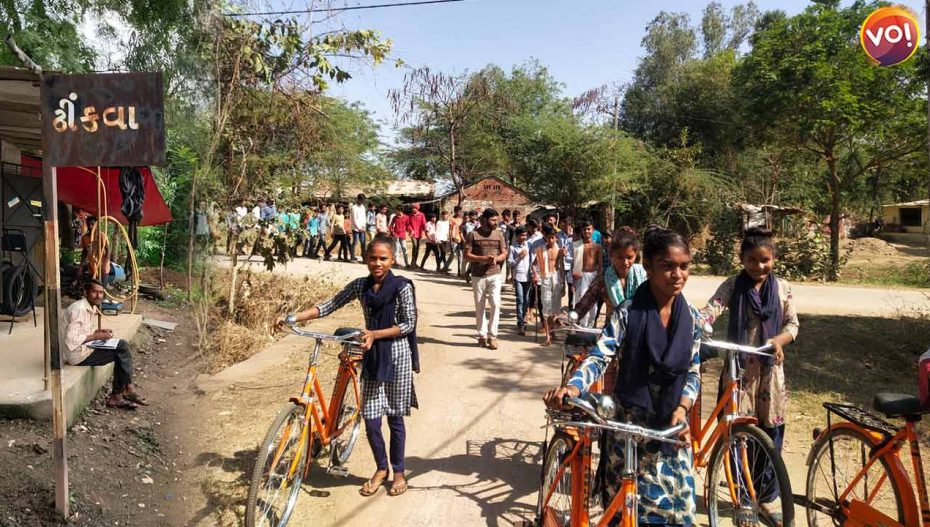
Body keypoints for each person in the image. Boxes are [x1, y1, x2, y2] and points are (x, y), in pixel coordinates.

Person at [544, 226, 701, 525]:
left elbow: (692, 372)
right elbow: (600, 355)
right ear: (649, 267)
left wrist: (683, 408)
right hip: (628, 427)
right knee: (627, 513)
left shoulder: (691, 318)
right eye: (668, 266)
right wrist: (574, 388)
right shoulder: (628, 312)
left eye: (684, 266)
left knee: (680, 514)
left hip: (670, 429)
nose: (677, 275)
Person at [276, 234, 418, 497]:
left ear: (392, 260)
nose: (377, 263)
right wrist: (294, 317)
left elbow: (408, 324)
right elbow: (330, 305)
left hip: (397, 356)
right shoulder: (360, 286)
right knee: (372, 421)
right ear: (366, 259)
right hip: (372, 354)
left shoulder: (402, 287)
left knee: (395, 418)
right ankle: (381, 468)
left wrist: (375, 333)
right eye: (373, 258)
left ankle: (398, 472)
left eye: (383, 258)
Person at [700, 227, 798, 524]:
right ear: (742, 259)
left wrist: (779, 340)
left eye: (765, 260)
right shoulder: (733, 285)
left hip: (770, 374)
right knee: (737, 434)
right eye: (752, 260)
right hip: (738, 372)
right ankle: (742, 495)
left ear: (774, 259)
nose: (759, 266)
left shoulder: (782, 289)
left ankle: (766, 498)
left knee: (771, 436)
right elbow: (711, 309)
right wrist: (699, 325)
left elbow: (792, 325)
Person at [64, 279, 147, 410]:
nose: (98, 296)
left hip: (84, 348)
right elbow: (71, 340)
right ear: (86, 292)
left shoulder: (89, 307)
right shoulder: (79, 309)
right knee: (122, 348)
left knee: (121, 350)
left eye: (101, 292)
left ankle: (120, 394)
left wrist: (97, 333)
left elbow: (82, 332)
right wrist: (96, 337)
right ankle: (125, 390)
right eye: (94, 292)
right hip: (76, 355)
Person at [575, 226, 648, 322]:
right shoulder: (604, 278)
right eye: (619, 257)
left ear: (636, 255)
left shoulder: (645, 275)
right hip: (612, 328)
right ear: (611, 255)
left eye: (630, 257)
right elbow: (586, 301)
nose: (625, 262)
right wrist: (573, 316)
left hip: (640, 327)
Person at [464, 208, 508, 350]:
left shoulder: (499, 234)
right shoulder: (473, 235)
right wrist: (483, 258)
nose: (496, 222)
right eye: (493, 220)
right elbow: (466, 255)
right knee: (480, 306)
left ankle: (493, 336)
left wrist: (497, 259)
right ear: (484, 220)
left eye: (496, 220)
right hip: (478, 275)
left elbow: (504, 252)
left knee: (495, 303)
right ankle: (482, 336)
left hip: (495, 274)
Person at [534, 225, 564, 345]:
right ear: (545, 237)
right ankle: (547, 337)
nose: (551, 240)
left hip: (556, 278)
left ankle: (552, 332)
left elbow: (561, 267)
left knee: (555, 308)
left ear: (556, 238)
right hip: (545, 278)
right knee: (546, 307)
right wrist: (535, 275)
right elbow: (534, 264)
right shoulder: (540, 250)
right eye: (549, 237)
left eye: (553, 238)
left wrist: (564, 283)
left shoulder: (560, 250)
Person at [573, 220, 603, 327]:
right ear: (581, 231)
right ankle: (580, 326)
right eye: (584, 229)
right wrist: (572, 281)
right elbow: (573, 263)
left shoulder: (597, 247)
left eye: (589, 229)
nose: (586, 231)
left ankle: (590, 326)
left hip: (593, 276)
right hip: (580, 276)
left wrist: (598, 279)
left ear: (593, 230)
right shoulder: (576, 245)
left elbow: (600, 265)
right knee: (580, 300)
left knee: (592, 302)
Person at [507, 225, 531, 336]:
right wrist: (519, 257)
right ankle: (520, 322)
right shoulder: (512, 248)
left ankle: (524, 317)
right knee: (520, 299)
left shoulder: (529, 245)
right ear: (517, 236)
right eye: (522, 235)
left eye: (525, 235)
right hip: (518, 276)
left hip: (528, 277)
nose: (524, 237)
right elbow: (510, 263)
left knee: (526, 300)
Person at [556, 216, 575, 307]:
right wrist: (560, 251)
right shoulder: (558, 235)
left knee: (571, 286)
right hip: (561, 264)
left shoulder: (575, 235)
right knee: (560, 286)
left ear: (570, 225)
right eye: (563, 225)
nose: (563, 226)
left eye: (567, 225)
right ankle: (557, 307)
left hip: (572, 264)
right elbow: (555, 248)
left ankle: (571, 307)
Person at [351, 193, 369, 262]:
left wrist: (364, 226)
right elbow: (354, 219)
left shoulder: (363, 207)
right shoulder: (354, 207)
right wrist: (358, 228)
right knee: (355, 242)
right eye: (361, 200)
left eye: (363, 200)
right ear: (358, 199)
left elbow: (364, 218)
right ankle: (352, 257)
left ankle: (364, 258)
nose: (362, 201)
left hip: (362, 228)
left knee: (363, 243)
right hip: (356, 228)